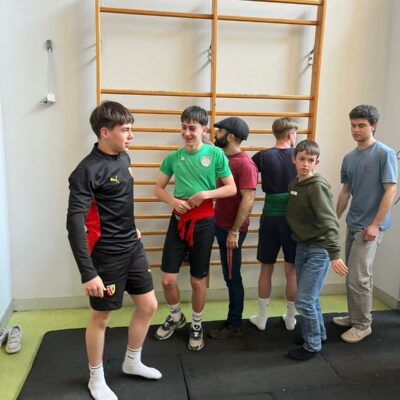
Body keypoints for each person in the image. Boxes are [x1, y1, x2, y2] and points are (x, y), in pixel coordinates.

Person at [67, 101, 161, 400]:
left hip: (132, 247)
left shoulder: (123, 157)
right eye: (126, 130)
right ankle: (96, 378)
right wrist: (88, 273)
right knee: (102, 318)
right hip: (106, 256)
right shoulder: (86, 171)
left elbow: (117, 202)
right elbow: (74, 225)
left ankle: (132, 361)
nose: (131, 136)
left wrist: (131, 228)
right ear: (105, 132)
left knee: (148, 306)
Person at [154, 105, 236, 351]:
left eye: (192, 128)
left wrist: (205, 194)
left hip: (204, 222)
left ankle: (197, 324)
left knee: (198, 281)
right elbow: (158, 188)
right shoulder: (173, 157)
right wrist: (172, 201)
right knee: (168, 280)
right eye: (183, 127)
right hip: (178, 221)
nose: (187, 133)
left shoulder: (216, 154)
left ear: (204, 130)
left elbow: (231, 188)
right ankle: (176, 316)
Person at [333, 104, 397, 343]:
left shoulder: (384, 153)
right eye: (353, 125)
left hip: (371, 227)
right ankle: (355, 316)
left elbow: (390, 190)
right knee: (353, 275)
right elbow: (345, 192)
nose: (356, 130)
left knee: (358, 277)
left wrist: (375, 224)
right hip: (353, 223)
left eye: (361, 125)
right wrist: (333, 220)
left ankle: (362, 325)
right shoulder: (349, 158)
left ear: (374, 126)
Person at [286, 140, 348, 361]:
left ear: (316, 163)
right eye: (301, 159)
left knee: (303, 300)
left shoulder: (317, 186)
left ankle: (312, 346)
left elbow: (330, 221)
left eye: (310, 160)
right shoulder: (294, 184)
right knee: (310, 298)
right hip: (302, 246)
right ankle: (318, 334)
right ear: (294, 159)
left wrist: (334, 254)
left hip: (319, 249)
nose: (305, 164)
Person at [208, 117, 258, 339]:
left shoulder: (245, 164)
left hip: (231, 231)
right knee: (229, 275)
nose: (215, 134)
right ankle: (233, 321)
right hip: (219, 225)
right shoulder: (225, 157)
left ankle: (234, 324)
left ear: (230, 136)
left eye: (219, 131)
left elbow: (248, 199)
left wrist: (234, 231)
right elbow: (212, 146)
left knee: (232, 277)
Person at [249, 117, 298, 331]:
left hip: (270, 217)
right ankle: (290, 318)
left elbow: (246, 174)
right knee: (292, 271)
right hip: (293, 218)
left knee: (266, 268)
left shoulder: (262, 156)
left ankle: (262, 318)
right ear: (290, 134)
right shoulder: (299, 155)